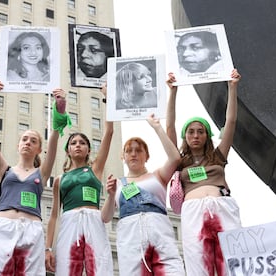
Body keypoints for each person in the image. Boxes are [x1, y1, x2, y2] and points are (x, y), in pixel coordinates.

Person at [0, 79, 70, 275]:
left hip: (31, 228)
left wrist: (60, 108)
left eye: (33, 140)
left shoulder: (42, 172)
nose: (28, 143)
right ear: (18, 144)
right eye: (24, 139)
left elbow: (55, 137)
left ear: (39, 149)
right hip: (2, 227)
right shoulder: (4, 170)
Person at [166, 69, 242, 276]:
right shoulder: (179, 161)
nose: (196, 135)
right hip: (193, 212)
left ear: (207, 136)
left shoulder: (218, 156)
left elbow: (231, 122)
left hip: (222, 207)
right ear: (185, 136)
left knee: (232, 259)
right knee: (198, 261)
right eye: (191, 131)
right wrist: (173, 92)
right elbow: (169, 127)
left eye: (201, 131)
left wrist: (232, 88)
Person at [102, 114, 186, 276]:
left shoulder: (158, 176)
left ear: (147, 156)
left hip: (160, 234)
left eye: (139, 150)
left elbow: (175, 157)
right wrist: (111, 195)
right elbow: (105, 217)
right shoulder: (118, 184)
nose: (133, 154)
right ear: (123, 157)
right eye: (129, 151)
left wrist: (157, 127)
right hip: (131, 239)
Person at [45, 85, 114, 276]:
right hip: (69, 222)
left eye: (82, 143)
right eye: (73, 143)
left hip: (93, 219)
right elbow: (54, 216)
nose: (78, 146)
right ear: (67, 150)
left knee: (99, 267)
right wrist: (47, 248)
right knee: (68, 269)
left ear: (88, 150)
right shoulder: (60, 179)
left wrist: (107, 98)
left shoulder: (95, 169)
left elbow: (109, 133)